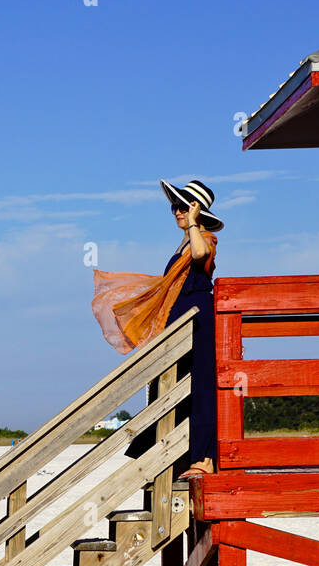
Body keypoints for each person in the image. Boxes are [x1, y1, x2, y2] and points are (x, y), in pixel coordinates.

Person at [91, 178, 222, 479]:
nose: (175, 211)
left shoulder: (204, 238)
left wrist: (192, 222)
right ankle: (173, 455)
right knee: (172, 384)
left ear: (197, 210)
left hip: (198, 317)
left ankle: (204, 458)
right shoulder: (184, 241)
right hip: (179, 320)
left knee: (201, 385)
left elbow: (201, 255)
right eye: (173, 206)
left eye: (182, 206)